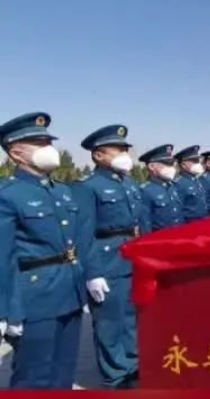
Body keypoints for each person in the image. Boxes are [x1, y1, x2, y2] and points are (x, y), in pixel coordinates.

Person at [0, 112, 87, 389]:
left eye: (48, 141)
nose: (48, 148)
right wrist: (6, 311)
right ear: (16, 152)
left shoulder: (62, 191)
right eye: (39, 143)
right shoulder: (8, 194)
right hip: (34, 298)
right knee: (34, 376)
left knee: (64, 371)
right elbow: (3, 258)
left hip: (70, 292)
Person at [72, 124, 147, 389]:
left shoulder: (129, 183)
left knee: (130, 317)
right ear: (98, 155)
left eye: (125, 148)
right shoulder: (88, 187)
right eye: (117, 149)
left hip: (130, 255)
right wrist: (92, 273)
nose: (124, 154)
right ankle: (116, 375)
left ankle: (133, 364)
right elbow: (83, 234)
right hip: (106, 260)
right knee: (109, 321)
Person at [138, 144, 184, 231]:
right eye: (167, 163)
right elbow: (145, 224)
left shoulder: (172, 186)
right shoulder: (145, 191)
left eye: (171, 164)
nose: (171, 167)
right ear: (151, 166)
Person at [173, 145, 209, 223]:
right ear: (183, 165)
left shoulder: (196, 180)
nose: (198, 164)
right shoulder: (179, 183)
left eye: (198, 161)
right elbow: (177, 211)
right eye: (194, 161)